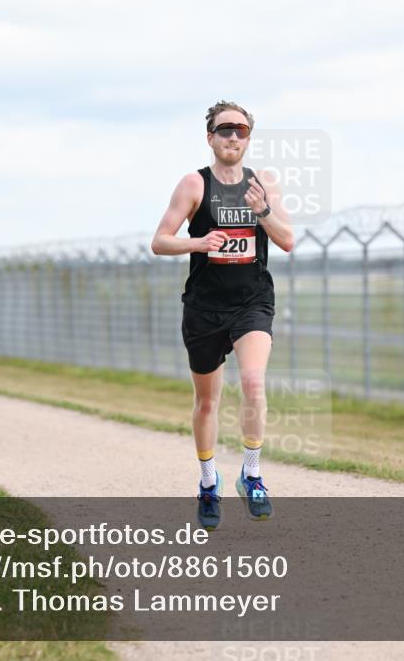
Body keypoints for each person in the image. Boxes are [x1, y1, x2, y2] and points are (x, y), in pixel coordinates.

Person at [151, 101, 295, 530]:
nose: (233, 136)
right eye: (225, 129)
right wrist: (198, 243)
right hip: (204, 307)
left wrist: (263, 212)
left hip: (252, 302)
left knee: (253, 381)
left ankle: (251, 475)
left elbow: (288, 240)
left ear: (248, 138)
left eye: (241, 130)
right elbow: (160, 241)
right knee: (207, 401)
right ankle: (208, 482)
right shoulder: (194, 184)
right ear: (210, 137)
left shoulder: (264, 183)